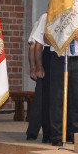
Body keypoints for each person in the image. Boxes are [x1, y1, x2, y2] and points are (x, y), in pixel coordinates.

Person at [48, 10, 78, 146]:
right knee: (57, 98)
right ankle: (56, 135)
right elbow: (47, 38)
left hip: (77, 60)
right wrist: (62, 34)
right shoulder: (55, 12)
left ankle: (76, 134)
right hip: (58, 59)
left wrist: (71, 34)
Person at [26, 13, 51, 142]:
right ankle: (32, 131)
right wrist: (33, 68)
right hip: (44, 61)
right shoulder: (43, 19)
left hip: (54, 61)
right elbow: (33, 46)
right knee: (40, 100)